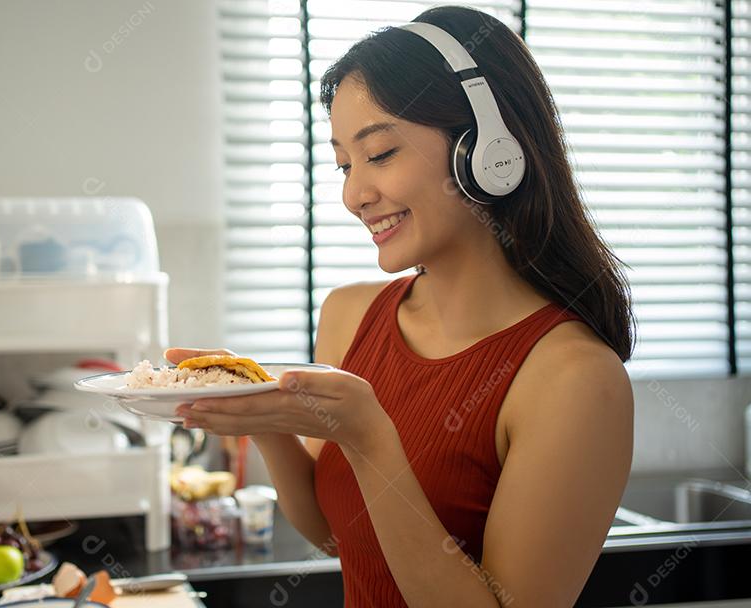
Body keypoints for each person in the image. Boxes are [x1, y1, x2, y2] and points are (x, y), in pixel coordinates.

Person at [170, 5, 634, 607]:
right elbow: (338, 535)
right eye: (343, 164)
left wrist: (371, 440)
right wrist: (263, 421)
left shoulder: (576, 380)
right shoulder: (348, 316)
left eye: (380, 153)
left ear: (488, 152)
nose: (354, 194)